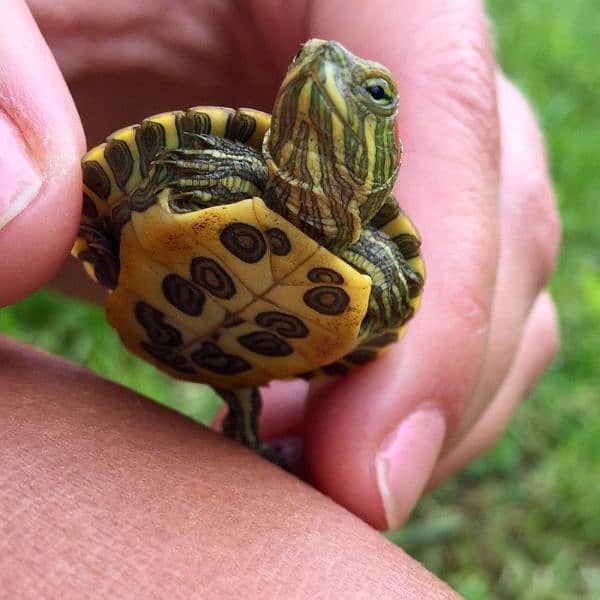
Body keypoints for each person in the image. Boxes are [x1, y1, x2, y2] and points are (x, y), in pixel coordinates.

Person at [1, 0, 559, 595]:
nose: (323, 64)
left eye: (371, 90)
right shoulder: (230, 165)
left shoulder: (377, 260)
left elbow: (391, 313)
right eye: (306, 61)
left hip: (239, 361)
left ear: (385, 157)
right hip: (145, 280)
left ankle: (245, 439)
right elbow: (134, 173)